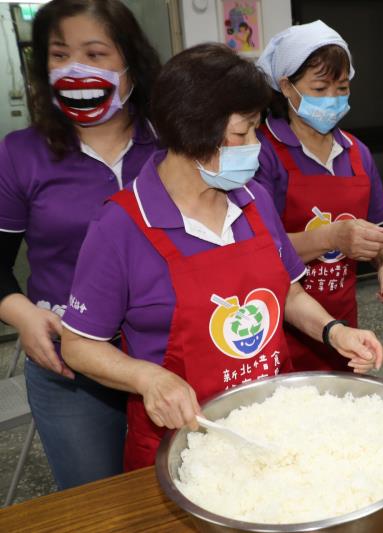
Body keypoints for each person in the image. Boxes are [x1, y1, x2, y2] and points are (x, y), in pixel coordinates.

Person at [60, 44, 383, 470]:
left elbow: (285, 291)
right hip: (182, 445)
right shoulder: (121, 225)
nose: (255, 144)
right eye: (243, 132)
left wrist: (333, 331)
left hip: (273, 424)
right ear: (194, 132)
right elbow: (79, 344)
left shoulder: (254, 201)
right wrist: (148, 378)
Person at [0, 0, 160, 489]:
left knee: (179, 490)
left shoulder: (174, 143)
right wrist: (22, 313)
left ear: (131, 63)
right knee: (100, 505)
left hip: (168, 356)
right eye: (59, 54)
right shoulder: (21, 153)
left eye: (95, 53)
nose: (76, 69)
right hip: (68, 369)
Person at [254, 20, 383, 372]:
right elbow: (261, 251)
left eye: (342, 88)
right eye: (320, 88)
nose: (332, 100)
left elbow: (382, 229)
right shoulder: (264, 151)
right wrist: (332, 237)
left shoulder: (356, 153)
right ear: (286, 86)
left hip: (342, 318)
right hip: (282, 323)